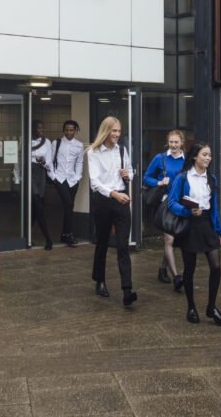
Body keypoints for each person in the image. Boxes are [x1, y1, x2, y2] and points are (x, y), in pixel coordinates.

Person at [167, 142, 221, 326]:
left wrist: (219, 231)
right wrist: (188, 212)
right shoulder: (182, 178)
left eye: (209, 155)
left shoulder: (212, 179)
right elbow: (172, 203)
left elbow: (214, 208)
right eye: (204, 155)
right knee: (190, 269)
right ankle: (191, 307)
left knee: (216, 267)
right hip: (189, 226)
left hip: (207, 225)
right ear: (195, 156)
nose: (208, 158)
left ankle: (211, 306)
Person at [87, 116, 137, 307]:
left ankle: (127, 290)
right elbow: (95, 182)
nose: (117, 135)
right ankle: (99, 281)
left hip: (122, 200)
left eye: (118, 131)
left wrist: (128, 175)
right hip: (104, 201)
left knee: (123, 246)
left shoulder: (122, 150)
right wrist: (114, 194)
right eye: (113, 131)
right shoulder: (93, 152)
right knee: (102, 242)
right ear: (105, 131)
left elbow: (131, 172)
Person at [142, 130, 186, 290]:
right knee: (169, 239)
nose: (173, 145)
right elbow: (146, 177)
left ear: (181, 142)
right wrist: (159, 182)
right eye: (171, 142)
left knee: (174, 240)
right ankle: (176, 276)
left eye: (176, 142)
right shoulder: (160, 158)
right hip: (164, 203)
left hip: (179, 204)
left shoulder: (186, 160)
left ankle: (162, 269)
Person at [51, 120, 85, 247]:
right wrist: (53, 176)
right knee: (69, 204)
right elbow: (50, 160)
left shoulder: (79, 145)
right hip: (59, 178)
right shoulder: (57, 143)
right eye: (67, 130)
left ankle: (64, 235)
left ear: (75, 131)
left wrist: (78, 177)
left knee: (69, 207)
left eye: (71, 130)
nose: (69, 132)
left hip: (72, 180)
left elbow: (79, 162)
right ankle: (69, 234)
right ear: (63, 130)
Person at [29, 120, 55, 250]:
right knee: (38, 204)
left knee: (36, 207)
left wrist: (43, 161)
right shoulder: (26, 140)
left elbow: (49, 161)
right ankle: (48, 239)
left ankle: (26, 235)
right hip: (30, 173)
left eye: (42, 128)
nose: (41, 130)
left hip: (41, 173)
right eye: (39, 128)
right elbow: (21, 157)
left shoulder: (47, 142)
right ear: (33, 128)